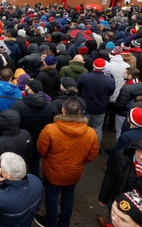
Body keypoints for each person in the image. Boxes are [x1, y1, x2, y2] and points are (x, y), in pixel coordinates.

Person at [35, 97, 99, 227]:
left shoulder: (50, 129)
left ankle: (50, 222)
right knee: (68, 197)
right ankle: (64, 223)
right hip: (73, 172)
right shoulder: (91, 133)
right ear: (80, 112)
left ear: (63, 110)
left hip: (52, 171)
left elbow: (41, 150)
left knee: (51, 197)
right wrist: (78, 161)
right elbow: (92, 156)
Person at [0, 152, 43, 227]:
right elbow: (37, 207)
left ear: (8, 175)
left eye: (1, 167)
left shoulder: (1, 198)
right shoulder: (36, 181)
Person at [77, 58, 116, 145]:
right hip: (100, 107)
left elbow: (78, 87)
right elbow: (110, 92)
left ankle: (81, 145)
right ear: (104, 68)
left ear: (93, 66)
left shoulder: (84, 77)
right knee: (97, 128)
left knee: (82, 126)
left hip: (85, 106)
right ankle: (95, 147)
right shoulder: (109, 80)